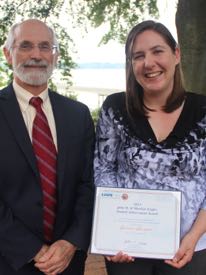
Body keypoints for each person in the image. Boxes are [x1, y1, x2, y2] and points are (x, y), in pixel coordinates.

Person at [94, 20, 206, 275]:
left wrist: (193, 237)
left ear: (176, 54)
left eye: (157, 51)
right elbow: (103, 171)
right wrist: (110, 232)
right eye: (138, 56)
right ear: (131, 64)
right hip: (126, 249)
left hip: (191, 248)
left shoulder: (203, 111)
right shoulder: (115, 109)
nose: (149, 63)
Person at [0, 19, 94, 275]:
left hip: (68, 261)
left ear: (56, 56)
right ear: (8, 53)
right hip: (8, 260)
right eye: (25, 46)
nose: (36, 55)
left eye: (45, 46)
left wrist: (72, 241)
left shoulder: (78, 115)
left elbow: (88, 184)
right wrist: (31, 249)